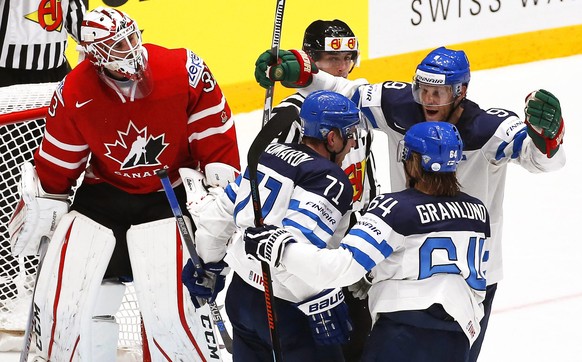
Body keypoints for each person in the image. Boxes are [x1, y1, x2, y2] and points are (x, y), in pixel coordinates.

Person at [254, 45, 566, 360]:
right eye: (424, 90)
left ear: (461, 92)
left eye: (439, 93)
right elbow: (345, 91)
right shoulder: (399, 107)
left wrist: (547, 139)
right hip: (418, 262)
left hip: (457, 274)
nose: (429, 100)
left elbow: (538, 157)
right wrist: (305, 74)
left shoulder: (485, 130)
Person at [8, 7, 239, 361]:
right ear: (96, 56)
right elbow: (59, 163)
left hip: (169, 195)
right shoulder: (73, 91)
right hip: (105, 194)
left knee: (168, 312)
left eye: (131, 37)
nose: (131, 48)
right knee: (73, 304)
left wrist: (218, 204)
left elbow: (216, 139)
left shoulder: (183, 69)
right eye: (118, 45)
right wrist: (45, 205)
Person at [244, 121, 491, 361]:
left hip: (401, 337)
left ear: (413, 162)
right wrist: (374, 276)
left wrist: (280, 248)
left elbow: (339, 268)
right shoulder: (478, 212)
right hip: (457, 339)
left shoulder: (395, 208)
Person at [183, 90, 360, 361]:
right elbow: (289, 250)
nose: (352, 143)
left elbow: (219, 215)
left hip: (241, 297)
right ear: (332, 137)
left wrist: (208, 264)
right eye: (349, 134)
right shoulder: (330, 179)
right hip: (287, 308)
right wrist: (319, 301)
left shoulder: (270, 153)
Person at [265, 19, 377, 361]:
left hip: (351, 238)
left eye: (348, 58)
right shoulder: (289, 117)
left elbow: (365, 182)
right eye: (331, 59)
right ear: (311, 61)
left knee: (362, 343)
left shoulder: (356, 109)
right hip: (306, 251)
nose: (342, 68)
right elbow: (269, 197)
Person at [0, 0, 86, 315]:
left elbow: (84, 24)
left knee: (55, 183)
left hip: (54, 85)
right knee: (7, 185)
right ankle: (5, 280)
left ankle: (46, 275)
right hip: (7, 86)